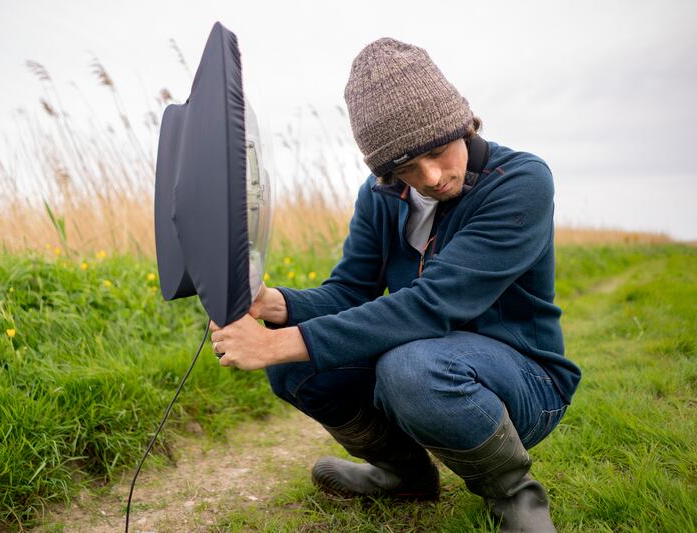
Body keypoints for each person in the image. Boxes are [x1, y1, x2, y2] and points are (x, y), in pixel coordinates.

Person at [209, 37, 581, 532]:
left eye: (438, 152)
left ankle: (516, 496)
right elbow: (348, 292)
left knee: (407, 366)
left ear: (464, 125)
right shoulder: (381, 194)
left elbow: (432, 305)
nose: (430, 177)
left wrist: (279, 344)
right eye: (405, 166)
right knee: (296, 371)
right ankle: (404, 477)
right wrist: (274, 305)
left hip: (525, 382)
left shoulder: (520, 180)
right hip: (430, 362)